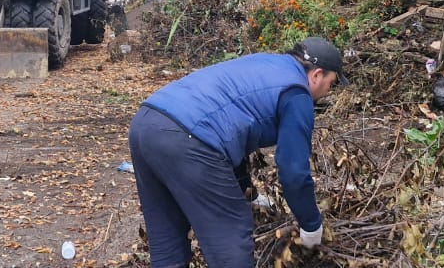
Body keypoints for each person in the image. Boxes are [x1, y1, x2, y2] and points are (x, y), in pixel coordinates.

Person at [127, 37, 348, 268]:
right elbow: (293, 171)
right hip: (189, 137)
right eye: (331, 84)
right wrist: (311, 225)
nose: (327, 92)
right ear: (317, 74)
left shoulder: (265, 63)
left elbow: (230, 123)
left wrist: (248, 191)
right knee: (230, 236)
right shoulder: (297, 93)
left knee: (167, 238)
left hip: (146, 123)